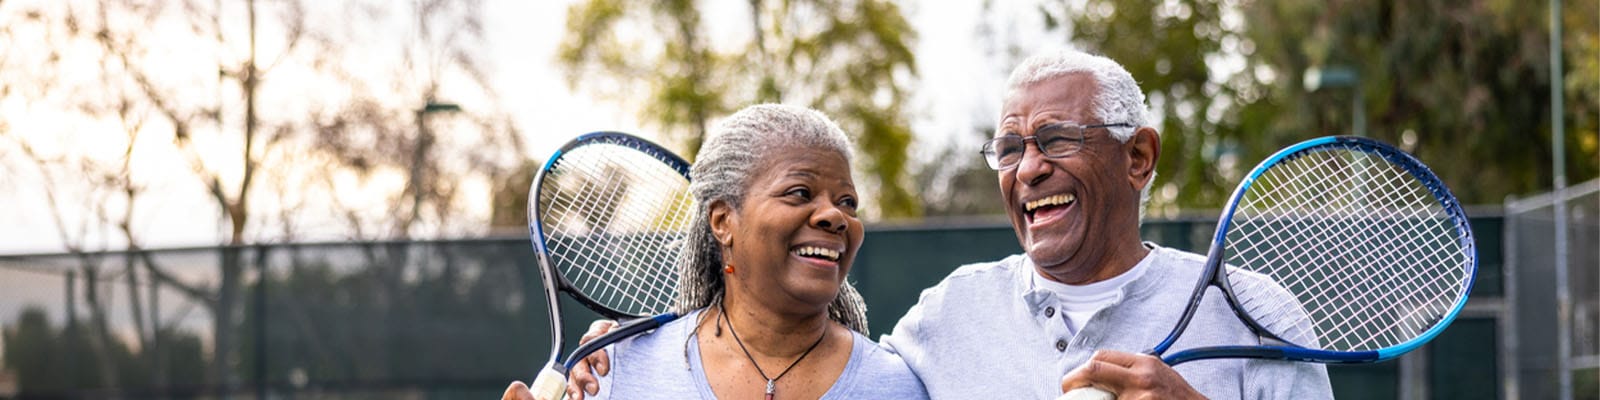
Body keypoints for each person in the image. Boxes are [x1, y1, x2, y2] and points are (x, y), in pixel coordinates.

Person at [565, 48, 1332, 399]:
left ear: (1139, 158)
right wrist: (626, 345)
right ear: (723, 222)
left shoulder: (1257, 316)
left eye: (1057, 139)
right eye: (1008, 147)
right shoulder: (944, 322)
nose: (1028, 167)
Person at [503, 104, 928, 400]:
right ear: (723, 221)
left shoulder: (896, 386)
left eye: (848, 202)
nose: (835, 217)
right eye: (800, 192)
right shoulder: (610, 374)